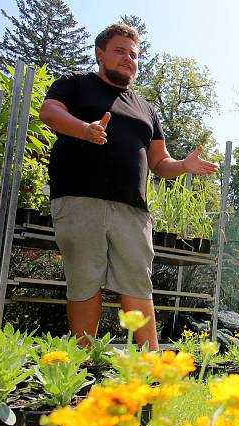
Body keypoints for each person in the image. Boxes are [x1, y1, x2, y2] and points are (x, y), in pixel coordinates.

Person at [39, 23, 218, 350]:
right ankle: (85, 365)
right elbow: (49, 112)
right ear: (100, 53)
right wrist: (84, 130)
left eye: (133, 54)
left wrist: (183, 166)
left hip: (132, 210)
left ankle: (148, 368)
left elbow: (160, 163)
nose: (128, 59)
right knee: (84, 280)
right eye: (120, 51)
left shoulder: (146, 108)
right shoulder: (75, 85)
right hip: (80, 199)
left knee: (138, 283)